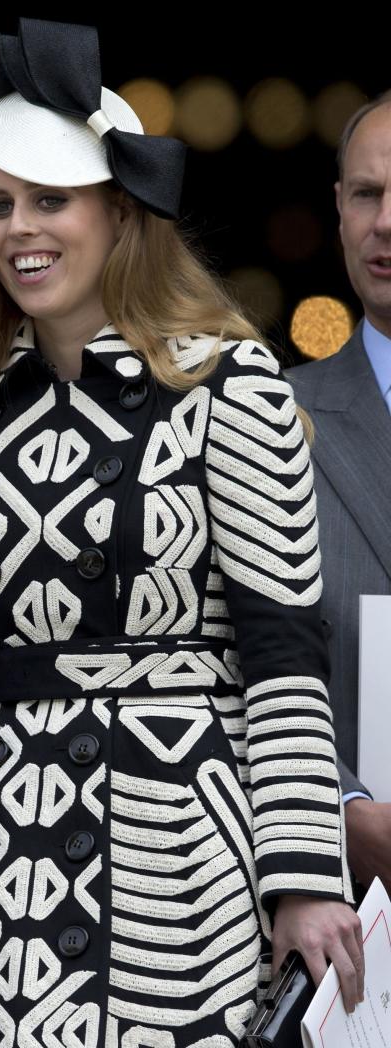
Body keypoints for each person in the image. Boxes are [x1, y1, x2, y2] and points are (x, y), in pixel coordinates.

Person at [0, 20, 364, 1047]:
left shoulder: (229, 384)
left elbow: (285, 653)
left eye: (48, 199)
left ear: (121, 213)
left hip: (177, 880)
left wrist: (300, 876)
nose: (18, 228)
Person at [287, 89, 391, 894]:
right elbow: (232, 660)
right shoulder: (272, 418)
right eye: (367, 194)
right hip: (351, 914)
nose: (385, 222)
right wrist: (341, 804)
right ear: (340, 208)